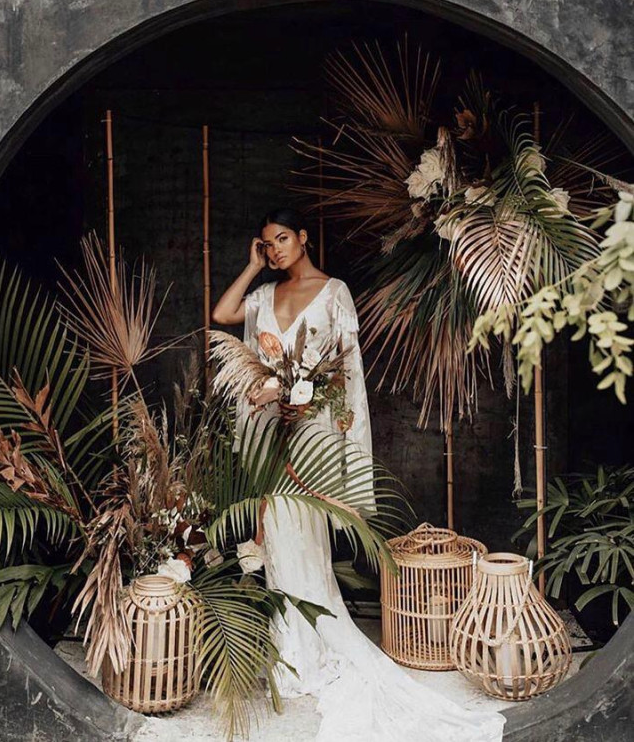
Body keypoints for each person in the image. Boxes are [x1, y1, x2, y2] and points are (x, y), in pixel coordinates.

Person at [212, 207, 505, 742]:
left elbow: (347, 375)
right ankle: (291, 647)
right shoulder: (263, 295)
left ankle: (315, 644)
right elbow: (223, 312)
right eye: (267, 244)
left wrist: (322, 419)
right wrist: (252, 267)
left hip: (312, 436)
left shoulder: (334, 293)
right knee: (276, 535)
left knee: (305, 535)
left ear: (303, 238)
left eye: (282, 239)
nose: (275, 250)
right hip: (268, 435)